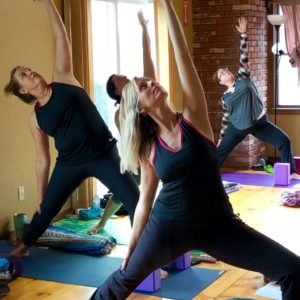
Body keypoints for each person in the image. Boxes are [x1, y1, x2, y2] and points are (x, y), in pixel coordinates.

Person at [90, 1, 300, 299]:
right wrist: (133, 246)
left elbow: (183, 56)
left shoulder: (193, 119)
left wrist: (165, 3)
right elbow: (144, 201)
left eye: (148, 79)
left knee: (294, 269)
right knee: (122, 280)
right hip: (167, 227)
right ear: (139, 109)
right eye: (142, 86)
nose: (151, 81)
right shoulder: (149, 148)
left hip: (219, 225)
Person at [4, 0, 139, 257]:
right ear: (23, 90)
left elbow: (61, 33)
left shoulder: (63, 77)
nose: (31, 72)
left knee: (136, 201)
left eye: (29, 69)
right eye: (24, 75)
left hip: (104, 154)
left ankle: (141, 254)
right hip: (69, 163)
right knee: (45, 209)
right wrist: (41, 193)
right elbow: (42, 160)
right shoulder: (35, 119)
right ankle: (24, 246)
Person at [88, 9, 156, 235]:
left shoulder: (139, 93)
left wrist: (145, 30)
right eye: (119, 78)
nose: (124, 76)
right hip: (139, 158)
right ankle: (103, 223)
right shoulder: (121, 112)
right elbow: (130, 140)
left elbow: (149, 66)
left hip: (154, 151)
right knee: (126, 196)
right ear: (117, 91)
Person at [213, 17, 300, 180]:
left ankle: (292, 173)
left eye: (225, 70)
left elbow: (243, 56)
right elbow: (226, 119)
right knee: (220, 152)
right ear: (220, 82)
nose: (226, 72)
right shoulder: (225, 98)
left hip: (259, 123)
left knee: (284, 141)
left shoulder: (243, 78)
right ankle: (206, 178)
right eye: (222, 74)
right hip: (238, 126)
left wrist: (243, 35)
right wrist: (221, 138)